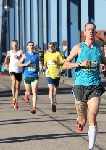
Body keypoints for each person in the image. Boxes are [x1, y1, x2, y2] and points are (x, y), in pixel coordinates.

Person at [63, 22, 106, 150]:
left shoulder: (99, 49)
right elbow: (65, 64)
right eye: (89, 29)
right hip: (80, 86)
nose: (91, 31)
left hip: (94, 86)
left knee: (92, 116)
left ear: (95, 31)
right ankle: (80, 122)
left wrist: (103, 66)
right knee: (83, 120)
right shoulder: (78, 48)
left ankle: (90, 148)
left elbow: (103, 62)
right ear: (85, 33)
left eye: (93, 29)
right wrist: (79, 64)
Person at [18, 41, 39, 114]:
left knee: (34, 91)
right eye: (30, 45)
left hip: (35, 76)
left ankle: (34, 107)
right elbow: (18, 64)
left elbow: (38, 64)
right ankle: (26, 94)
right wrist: (26, 64)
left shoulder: (37, 55)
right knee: (28, 92)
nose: (31, 46)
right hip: (27, 75)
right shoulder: (25, 55)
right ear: (27, 47)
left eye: (32, 45)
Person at [44, 42, 64, 112]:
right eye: (49, 47)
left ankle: (54, 98)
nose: (50, 48)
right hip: (49, 74)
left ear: (54, 47)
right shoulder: (46, 55)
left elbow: (62, 62)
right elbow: (45, 64)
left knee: (55, 89)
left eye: (52, 47)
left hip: (56, 74)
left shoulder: (58, 54)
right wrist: (44, 66)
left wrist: (56, 62)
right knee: (51, 88)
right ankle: (52, 103)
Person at [4, 40, 23, 110]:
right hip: (12, 70)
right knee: (13, 82)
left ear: (17, 45)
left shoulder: (20, 52)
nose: (14, 46)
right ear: (11, 45)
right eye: (13, 45)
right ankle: (13, 98)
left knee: (17, 86)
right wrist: (5, 64)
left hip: (19, 70)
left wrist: (19, 58)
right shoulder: (9, 52)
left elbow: (24, 59)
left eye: (16, 45)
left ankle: (16, 101)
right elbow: (6, 58)